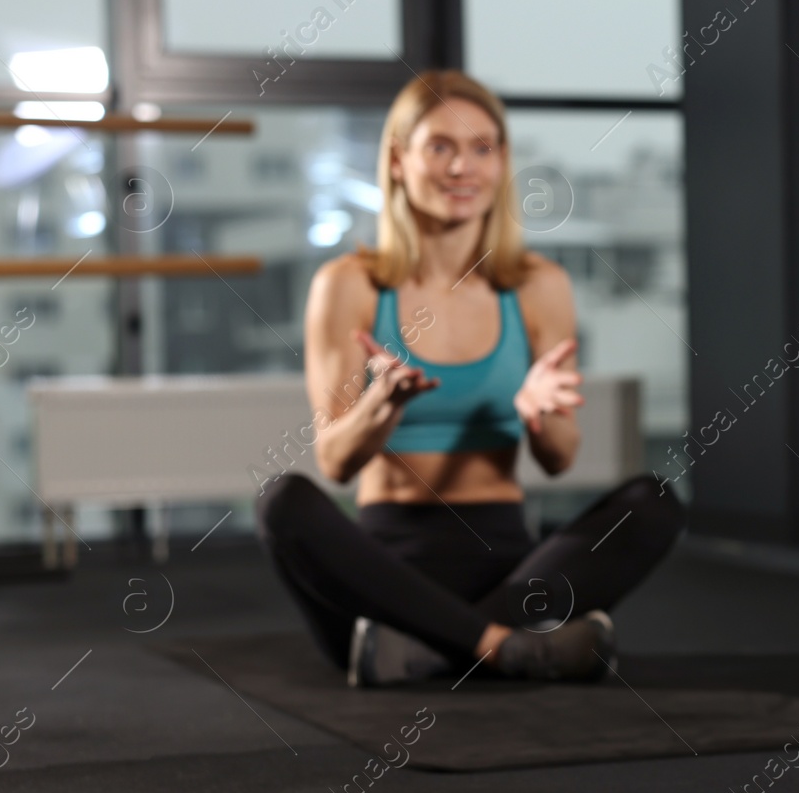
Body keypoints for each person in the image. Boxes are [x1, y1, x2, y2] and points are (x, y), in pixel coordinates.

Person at [254, 70, 685, 685]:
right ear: (399, 161)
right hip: (382, 575)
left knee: (654, 502)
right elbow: (335, 463)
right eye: (441, 147)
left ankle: (437, 649)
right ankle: (506, 646)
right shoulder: (347, 285)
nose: (463, 168)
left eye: (483, 148)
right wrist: (381, 407)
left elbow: (560, 459)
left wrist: (540, 417)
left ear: (502, 161)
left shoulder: (539, 286)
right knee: (280, 503)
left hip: (508, 566)